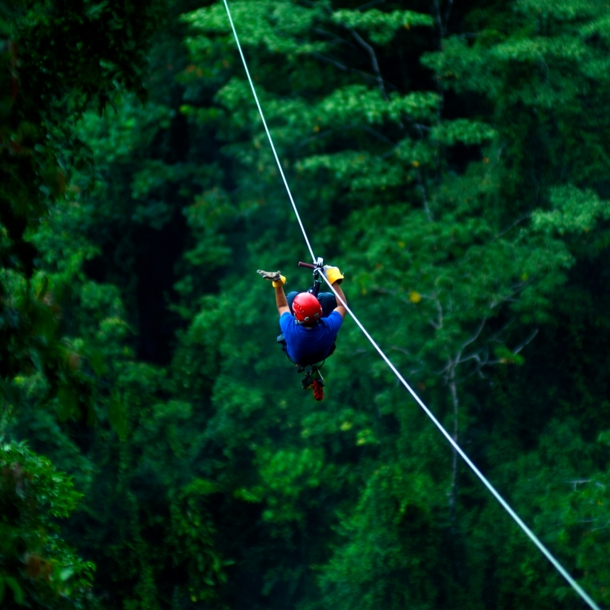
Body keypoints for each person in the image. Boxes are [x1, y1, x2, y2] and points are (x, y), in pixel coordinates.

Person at [257, 266, 347, 365]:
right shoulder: (329, 327)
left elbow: (282, 306)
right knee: (329, 299)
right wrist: (333, 279)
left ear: (297, 315)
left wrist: (278, 283)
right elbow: (342, 305)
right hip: (322, 353)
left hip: (298, 358)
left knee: (292, 297)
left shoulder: (289, 327)